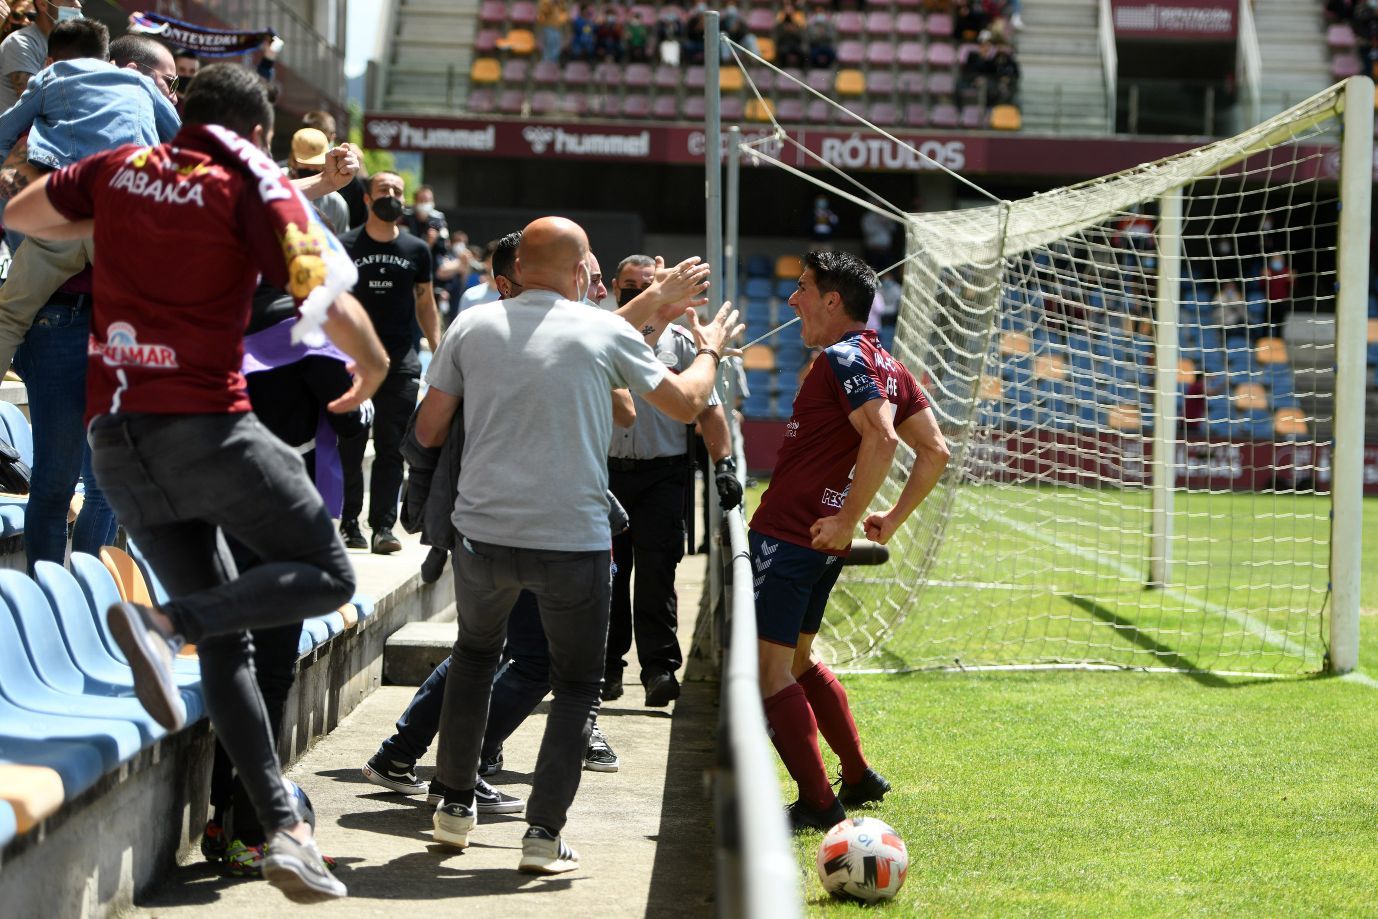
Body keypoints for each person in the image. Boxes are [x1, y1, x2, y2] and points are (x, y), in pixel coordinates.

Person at [5, 62, 389, 901]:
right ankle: (162, 621)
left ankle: (281, 829)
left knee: (230, 639)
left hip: (120, 438)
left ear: (181, 115)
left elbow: (23, 213)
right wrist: (373, 354)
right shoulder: (246, 183)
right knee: (327, 575)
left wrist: (116, 220)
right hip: (208, 428)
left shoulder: (122, 167)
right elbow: (313, 281)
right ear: (255, 134)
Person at [416, 215, 738, 874]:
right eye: (589, 267)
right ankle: (541, 833)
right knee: (575, 684)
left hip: (481, 534)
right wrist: (709, 349)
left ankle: (452, 807)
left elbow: (427, 429)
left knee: (474, 658)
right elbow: (683, 403)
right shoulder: (604, 329)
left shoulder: (472, 325)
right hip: (572, 540)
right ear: (575, 271)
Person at [748, 251, 949, 832]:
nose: (793, 300)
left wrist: (847, 518)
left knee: (771, 673)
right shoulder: (888, 365)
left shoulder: (842, 358)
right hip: (817, 544)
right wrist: (888, 518)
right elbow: (935, 451)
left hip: (791, 539)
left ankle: (817, 804)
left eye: (803, 288)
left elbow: (882, 439)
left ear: (832, 300)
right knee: (802, 659)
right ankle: (857, 776)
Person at [1, 28, 182, 572]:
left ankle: (54, 586)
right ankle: (84, 593)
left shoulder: (48, 78)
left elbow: (6, 128)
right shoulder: (138, 86)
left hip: (65, 216)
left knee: (9, 313)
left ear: (53, 57)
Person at [603, 254, 741, 710]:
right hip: (605, 474)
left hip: (662, 474)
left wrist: (723, 465)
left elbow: (709, 407)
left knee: (658, 574)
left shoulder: (683, 344)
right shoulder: (603, 334)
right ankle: (607, 668)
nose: (638, 290)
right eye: (630, 284)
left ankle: (659, 669)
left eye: (648, 283)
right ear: (612, 285)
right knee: (607, 575)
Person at [337, 171, 441, 554]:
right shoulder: (345, 245)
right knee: (349, 444)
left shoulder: (417, 250)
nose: (392, 196)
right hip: (350, 363)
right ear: (367, 198)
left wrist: (439, 348)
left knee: (392, 448)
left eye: (398, 191)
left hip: (400, 363)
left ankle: (383, 526)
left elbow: (426, 302)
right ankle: (350, 522)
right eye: (384, 190)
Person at [288, 127, 348, 235]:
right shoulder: (274, 184)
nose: (311, 168)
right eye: (305, 162)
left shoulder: (336, 204)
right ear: (292, 159)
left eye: (316, 164)